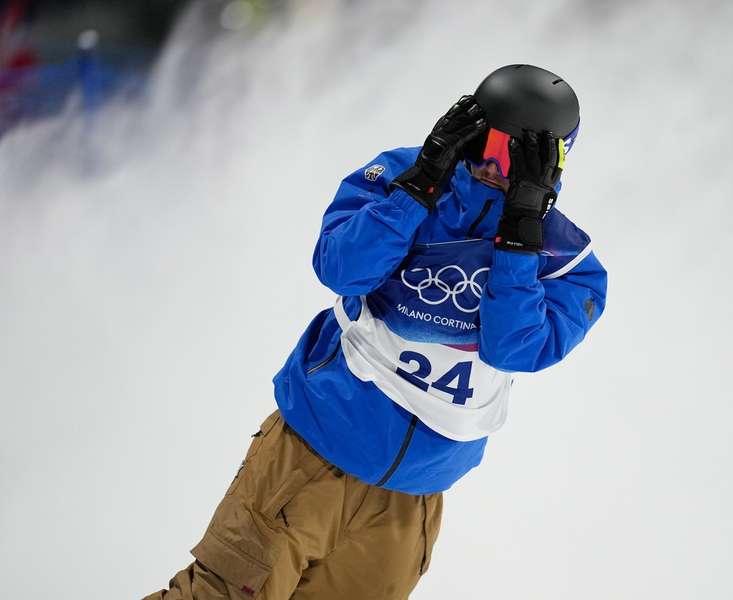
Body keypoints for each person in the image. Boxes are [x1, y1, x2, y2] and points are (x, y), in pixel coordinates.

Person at [145, 64, 607, 600]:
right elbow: (341, 269)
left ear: (552, 161)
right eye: (490, 145)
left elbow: (515, 348)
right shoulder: (399, 177)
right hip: (311, 456)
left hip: (410, 499)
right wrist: (418, 189)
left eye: (516, 157)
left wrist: (520, 239)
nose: (493, 168)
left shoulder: (567, 261)